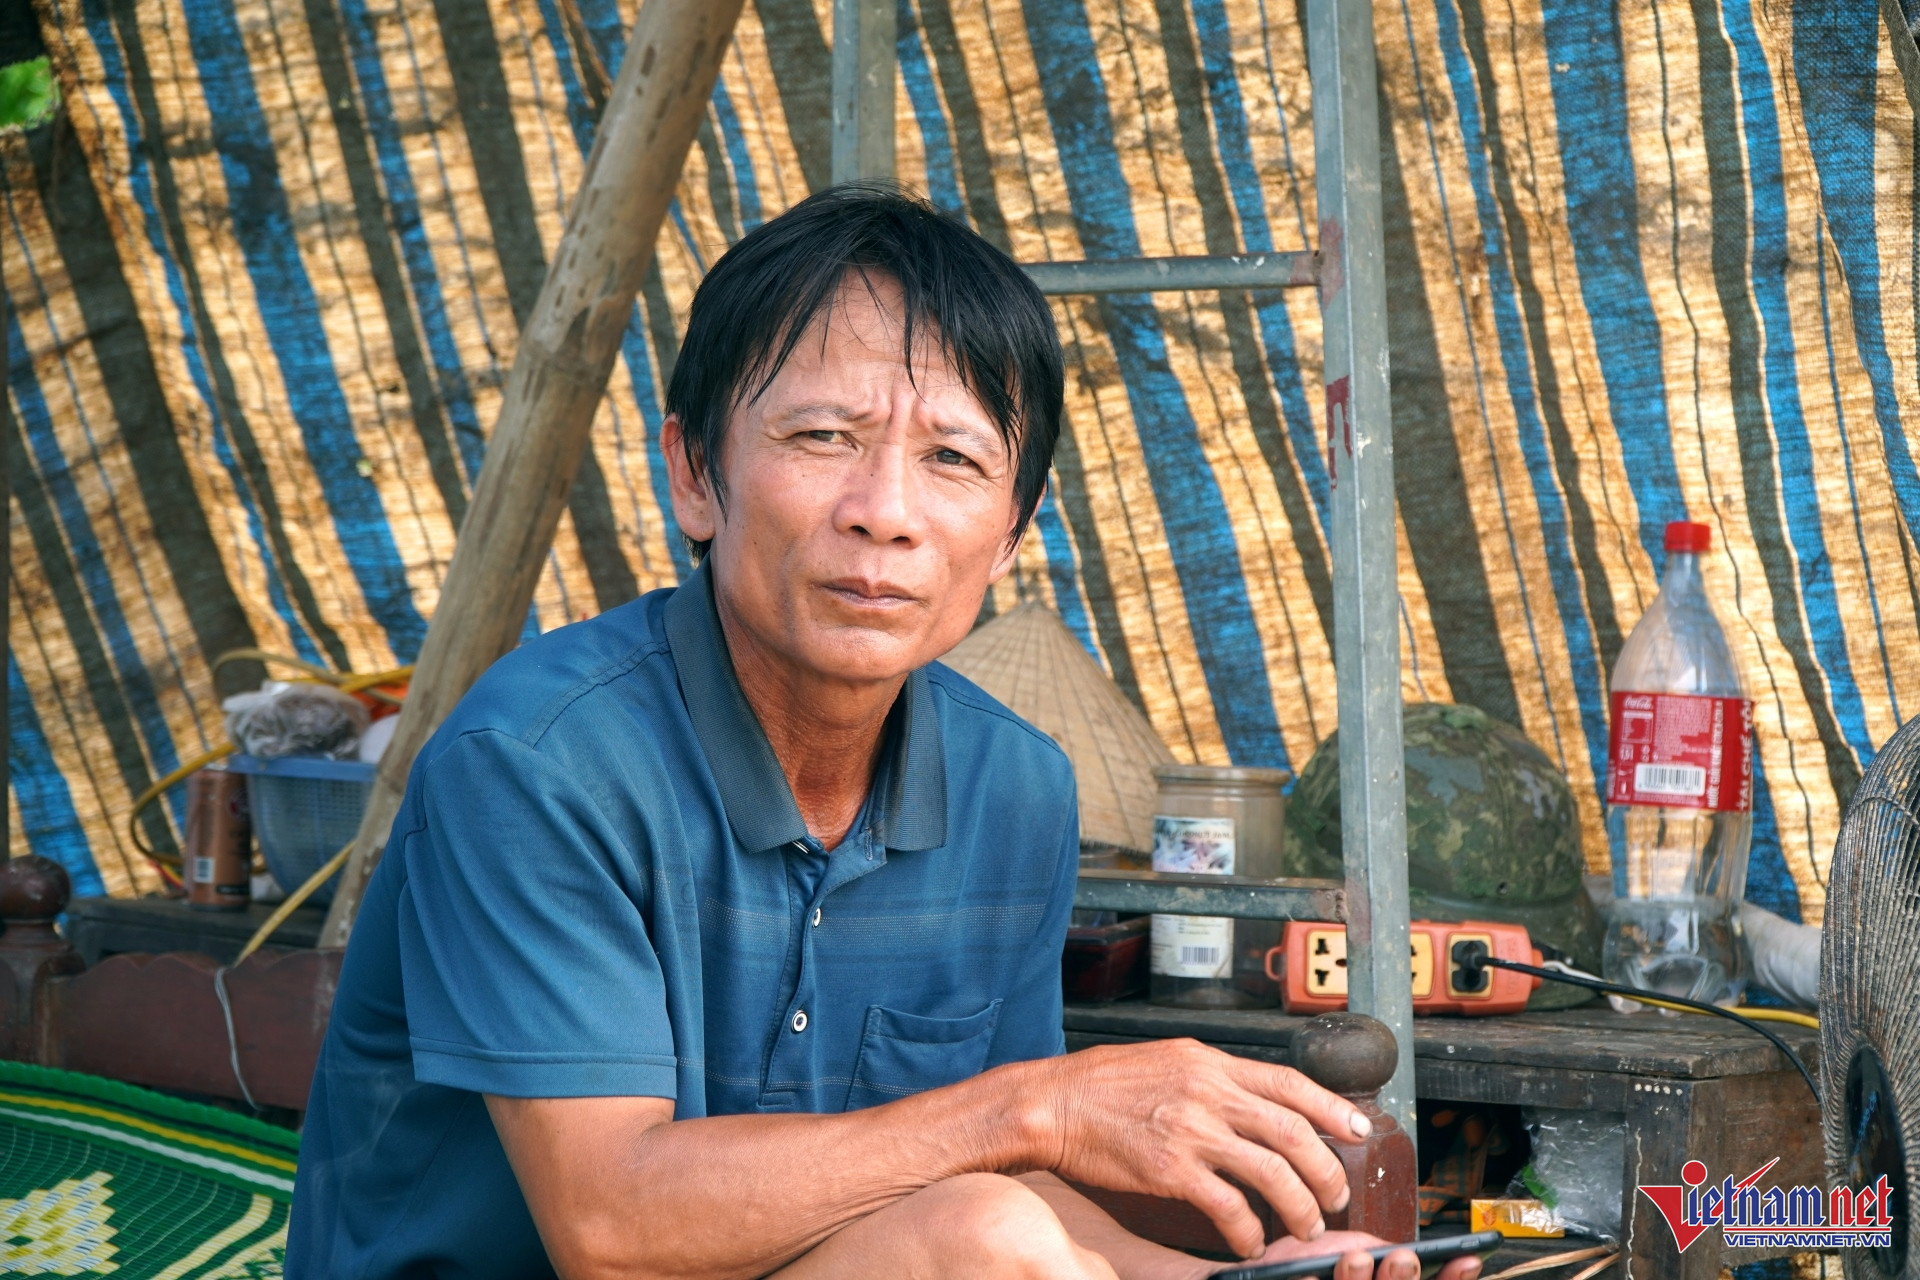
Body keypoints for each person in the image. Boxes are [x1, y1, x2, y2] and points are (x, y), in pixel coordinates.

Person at [288, 186, 1479, 1280]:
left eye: (953, 458)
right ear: (695, 473)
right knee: (978, 1231)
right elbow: (612, 1224)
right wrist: (1038, 1105)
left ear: (1012, 533)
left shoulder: (1016, 788)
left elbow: (1003, 1193)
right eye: (822, 438)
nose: (887, 514)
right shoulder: (537, 762)